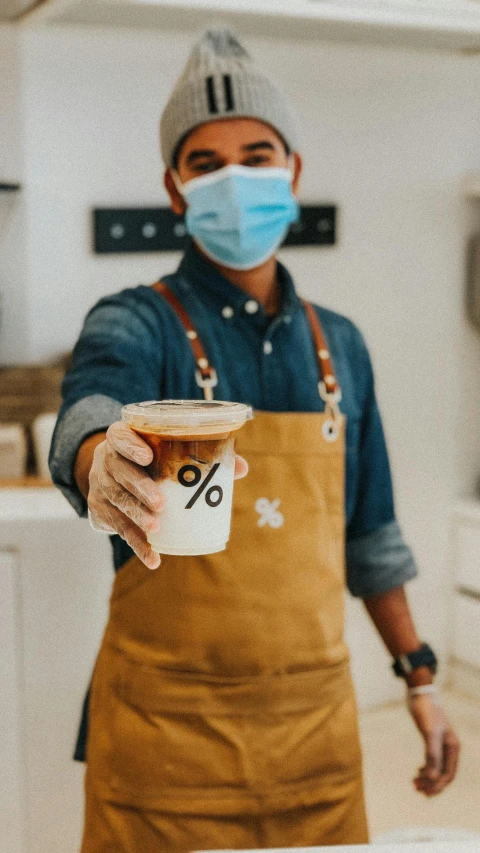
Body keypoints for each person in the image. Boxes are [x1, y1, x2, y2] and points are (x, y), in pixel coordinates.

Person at [50, 29, 460, 852]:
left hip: (315, 745)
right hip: (164, 750)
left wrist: (418, 676)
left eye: (257, 153)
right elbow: (90, 406)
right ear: (175, 188)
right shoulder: (137, 320)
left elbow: (371, 534)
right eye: (205, 163)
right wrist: (96, 460)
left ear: (294, 171)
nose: (234, 179)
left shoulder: (339, 345)